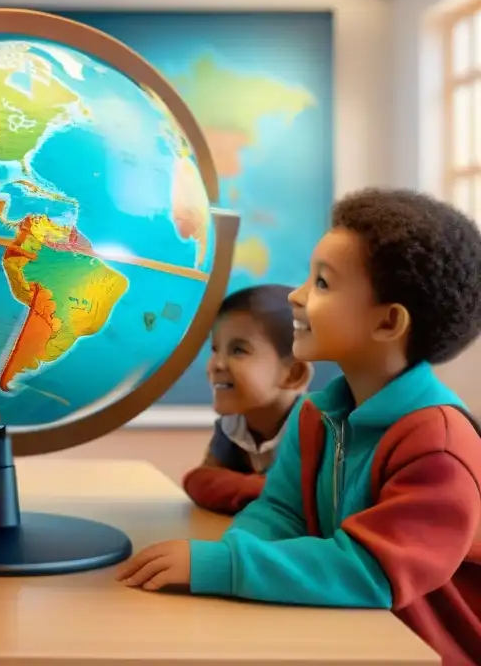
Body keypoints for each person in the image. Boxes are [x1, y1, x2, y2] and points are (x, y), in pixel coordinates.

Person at [117, 188, 481, 666]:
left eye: (323, 284)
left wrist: (226, 567)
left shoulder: (438, 445)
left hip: (429, 652)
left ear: (388, 322)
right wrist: (233, 555)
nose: (297, 295)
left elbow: (372, 570)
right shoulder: (317, 416)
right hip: (351, 635)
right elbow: (280, 512)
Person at [183, 284, 311, 515]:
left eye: (238, 350)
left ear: (293, 374)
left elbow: (310, 504)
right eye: (215, 349)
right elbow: (198, 480)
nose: (217, 364)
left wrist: (235, 486)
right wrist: (267, 491)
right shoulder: (233, 427)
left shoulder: (318, 430)